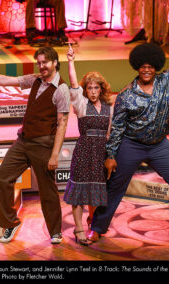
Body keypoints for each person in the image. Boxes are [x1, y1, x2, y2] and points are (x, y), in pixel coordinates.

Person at [87, 20, 169, 242]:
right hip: (131, 144)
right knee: (115, 185)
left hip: (159, 145)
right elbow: (117, 128)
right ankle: (97, 228)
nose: (146, 69)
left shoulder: (167, 81)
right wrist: (110, 156)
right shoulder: (127, 95)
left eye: (150, 66)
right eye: (142, 66)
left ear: (156, 66)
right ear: (137, 67)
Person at [0, 46, 70, 244]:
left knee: (47, 190)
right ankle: (10, 223)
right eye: (39, 62)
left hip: (44, 145)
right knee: (3, 176)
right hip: (23, 141)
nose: (41, 66)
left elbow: (62, 124)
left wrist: (55, 155)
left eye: (45, 62)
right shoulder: (34, 79)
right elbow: (5, 80)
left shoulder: (61, 88)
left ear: (54, 63)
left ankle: (55, 231)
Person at [63, 44, 113, 246]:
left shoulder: (109, 108)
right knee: (79, 194)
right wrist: (71, 62)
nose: (93, 91)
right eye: (89, 88)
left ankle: (93, 222)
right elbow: (73, 83)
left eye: (96, 87)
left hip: (101, 152)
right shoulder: (81, 104)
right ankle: (79, 229)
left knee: (95, 193)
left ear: (101, 89)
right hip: (84, 152)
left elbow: (110, 134)